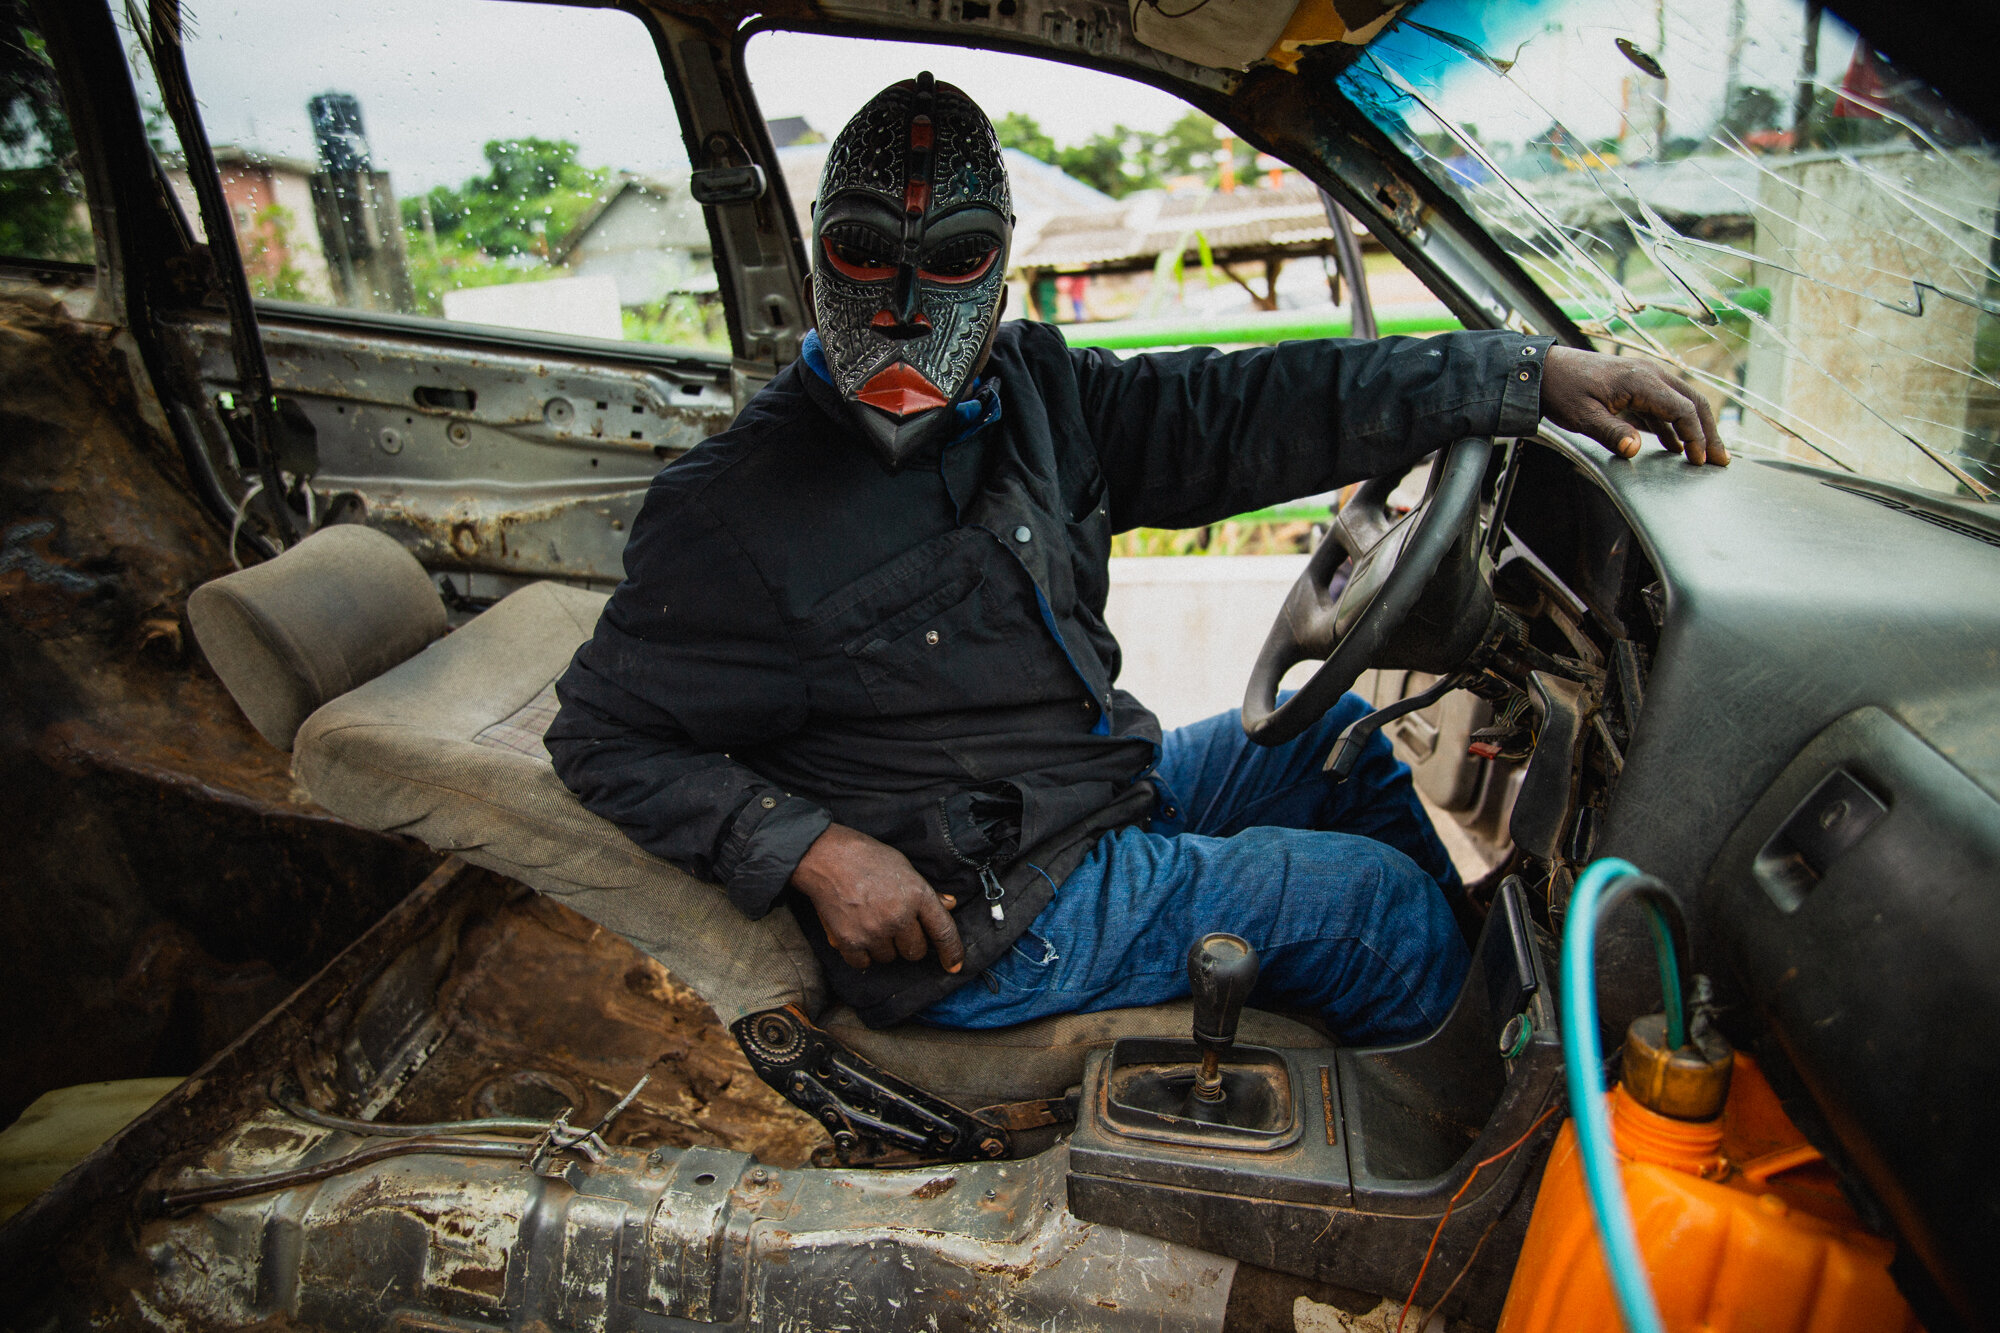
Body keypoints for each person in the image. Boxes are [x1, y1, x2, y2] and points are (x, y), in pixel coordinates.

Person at [546, 74, 1725, 1045]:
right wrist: (812, 849)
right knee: (1371, 912)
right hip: (985, 913)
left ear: (1001, 269)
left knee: (1337, 740)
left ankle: (1471, 1020)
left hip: (1093, 794)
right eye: (864, 254)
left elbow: (1254, 403)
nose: (905, 306)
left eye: (949, 260)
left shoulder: (1036, 394)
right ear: (815, 260)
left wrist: (1522, 376)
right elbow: (601, 735)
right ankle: (1477, 1158)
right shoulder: (730, 511)